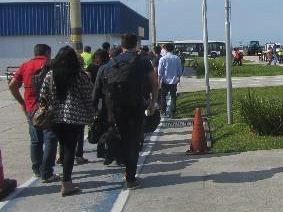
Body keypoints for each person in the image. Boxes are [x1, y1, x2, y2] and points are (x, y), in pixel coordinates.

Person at [39, 46, 94, 196]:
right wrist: (91, 115)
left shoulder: (51, 75)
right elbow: (88, 97)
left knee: (62, 146)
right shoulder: (81, 76)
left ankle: (55, 171)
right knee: (70, 149)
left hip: (55, 117)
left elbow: (43, 96)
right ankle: (67, 183)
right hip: (74, 118)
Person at [106, 34, 159, 189]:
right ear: (136, 44)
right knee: (134, 140)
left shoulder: (112, 62)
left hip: (117, 107)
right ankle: (130, 177)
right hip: (136, 105)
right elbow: (154, 83)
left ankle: (120, 160)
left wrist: (109, 112)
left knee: (122, 136)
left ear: (122, 45)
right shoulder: (142, 60)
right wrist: (153, 103)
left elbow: (107, 89)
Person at [8, 44, 59, 183]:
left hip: (31, 107)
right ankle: (47, 172)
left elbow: (12, 85)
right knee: (50, 138)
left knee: (36, 140)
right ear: (47, 52)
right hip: (48, 108)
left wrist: (22, 102)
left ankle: (37, 170)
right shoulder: (50, 64)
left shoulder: (25, 66)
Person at [157, 42, 183, 118]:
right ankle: (173, 113)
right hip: (174, 81)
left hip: (165, 81)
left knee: (163, 96)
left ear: (165, 49)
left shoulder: (163, 58)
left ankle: (163, 111)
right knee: (173, 97)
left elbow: (160, 72)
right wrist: (178, 78)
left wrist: (158, 82)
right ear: (173, 49)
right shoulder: (177, 58)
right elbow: (179, 70)